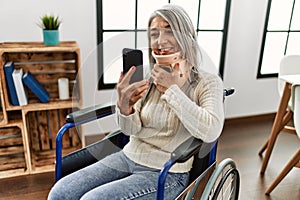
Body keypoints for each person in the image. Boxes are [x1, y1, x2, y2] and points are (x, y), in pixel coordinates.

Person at [48, 4, 224, 200]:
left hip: (168, 172)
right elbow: (130, 130)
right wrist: (124, 106)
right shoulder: (146, 74)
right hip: (128, 156)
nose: (160, 40)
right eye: (154, 34)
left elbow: (211, 131)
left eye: (169, 31)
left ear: (185, 35)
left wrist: (173, 89)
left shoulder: (207, 82)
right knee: (61, 192)